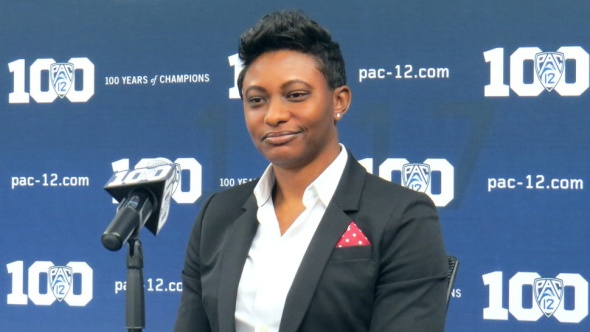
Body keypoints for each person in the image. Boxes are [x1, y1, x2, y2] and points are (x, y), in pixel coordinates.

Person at [174, 10, 448, 332]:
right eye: (256, 100)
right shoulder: (217, 214)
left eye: (296, 95)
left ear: (339, 102)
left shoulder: (402, 217)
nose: (274, 115)